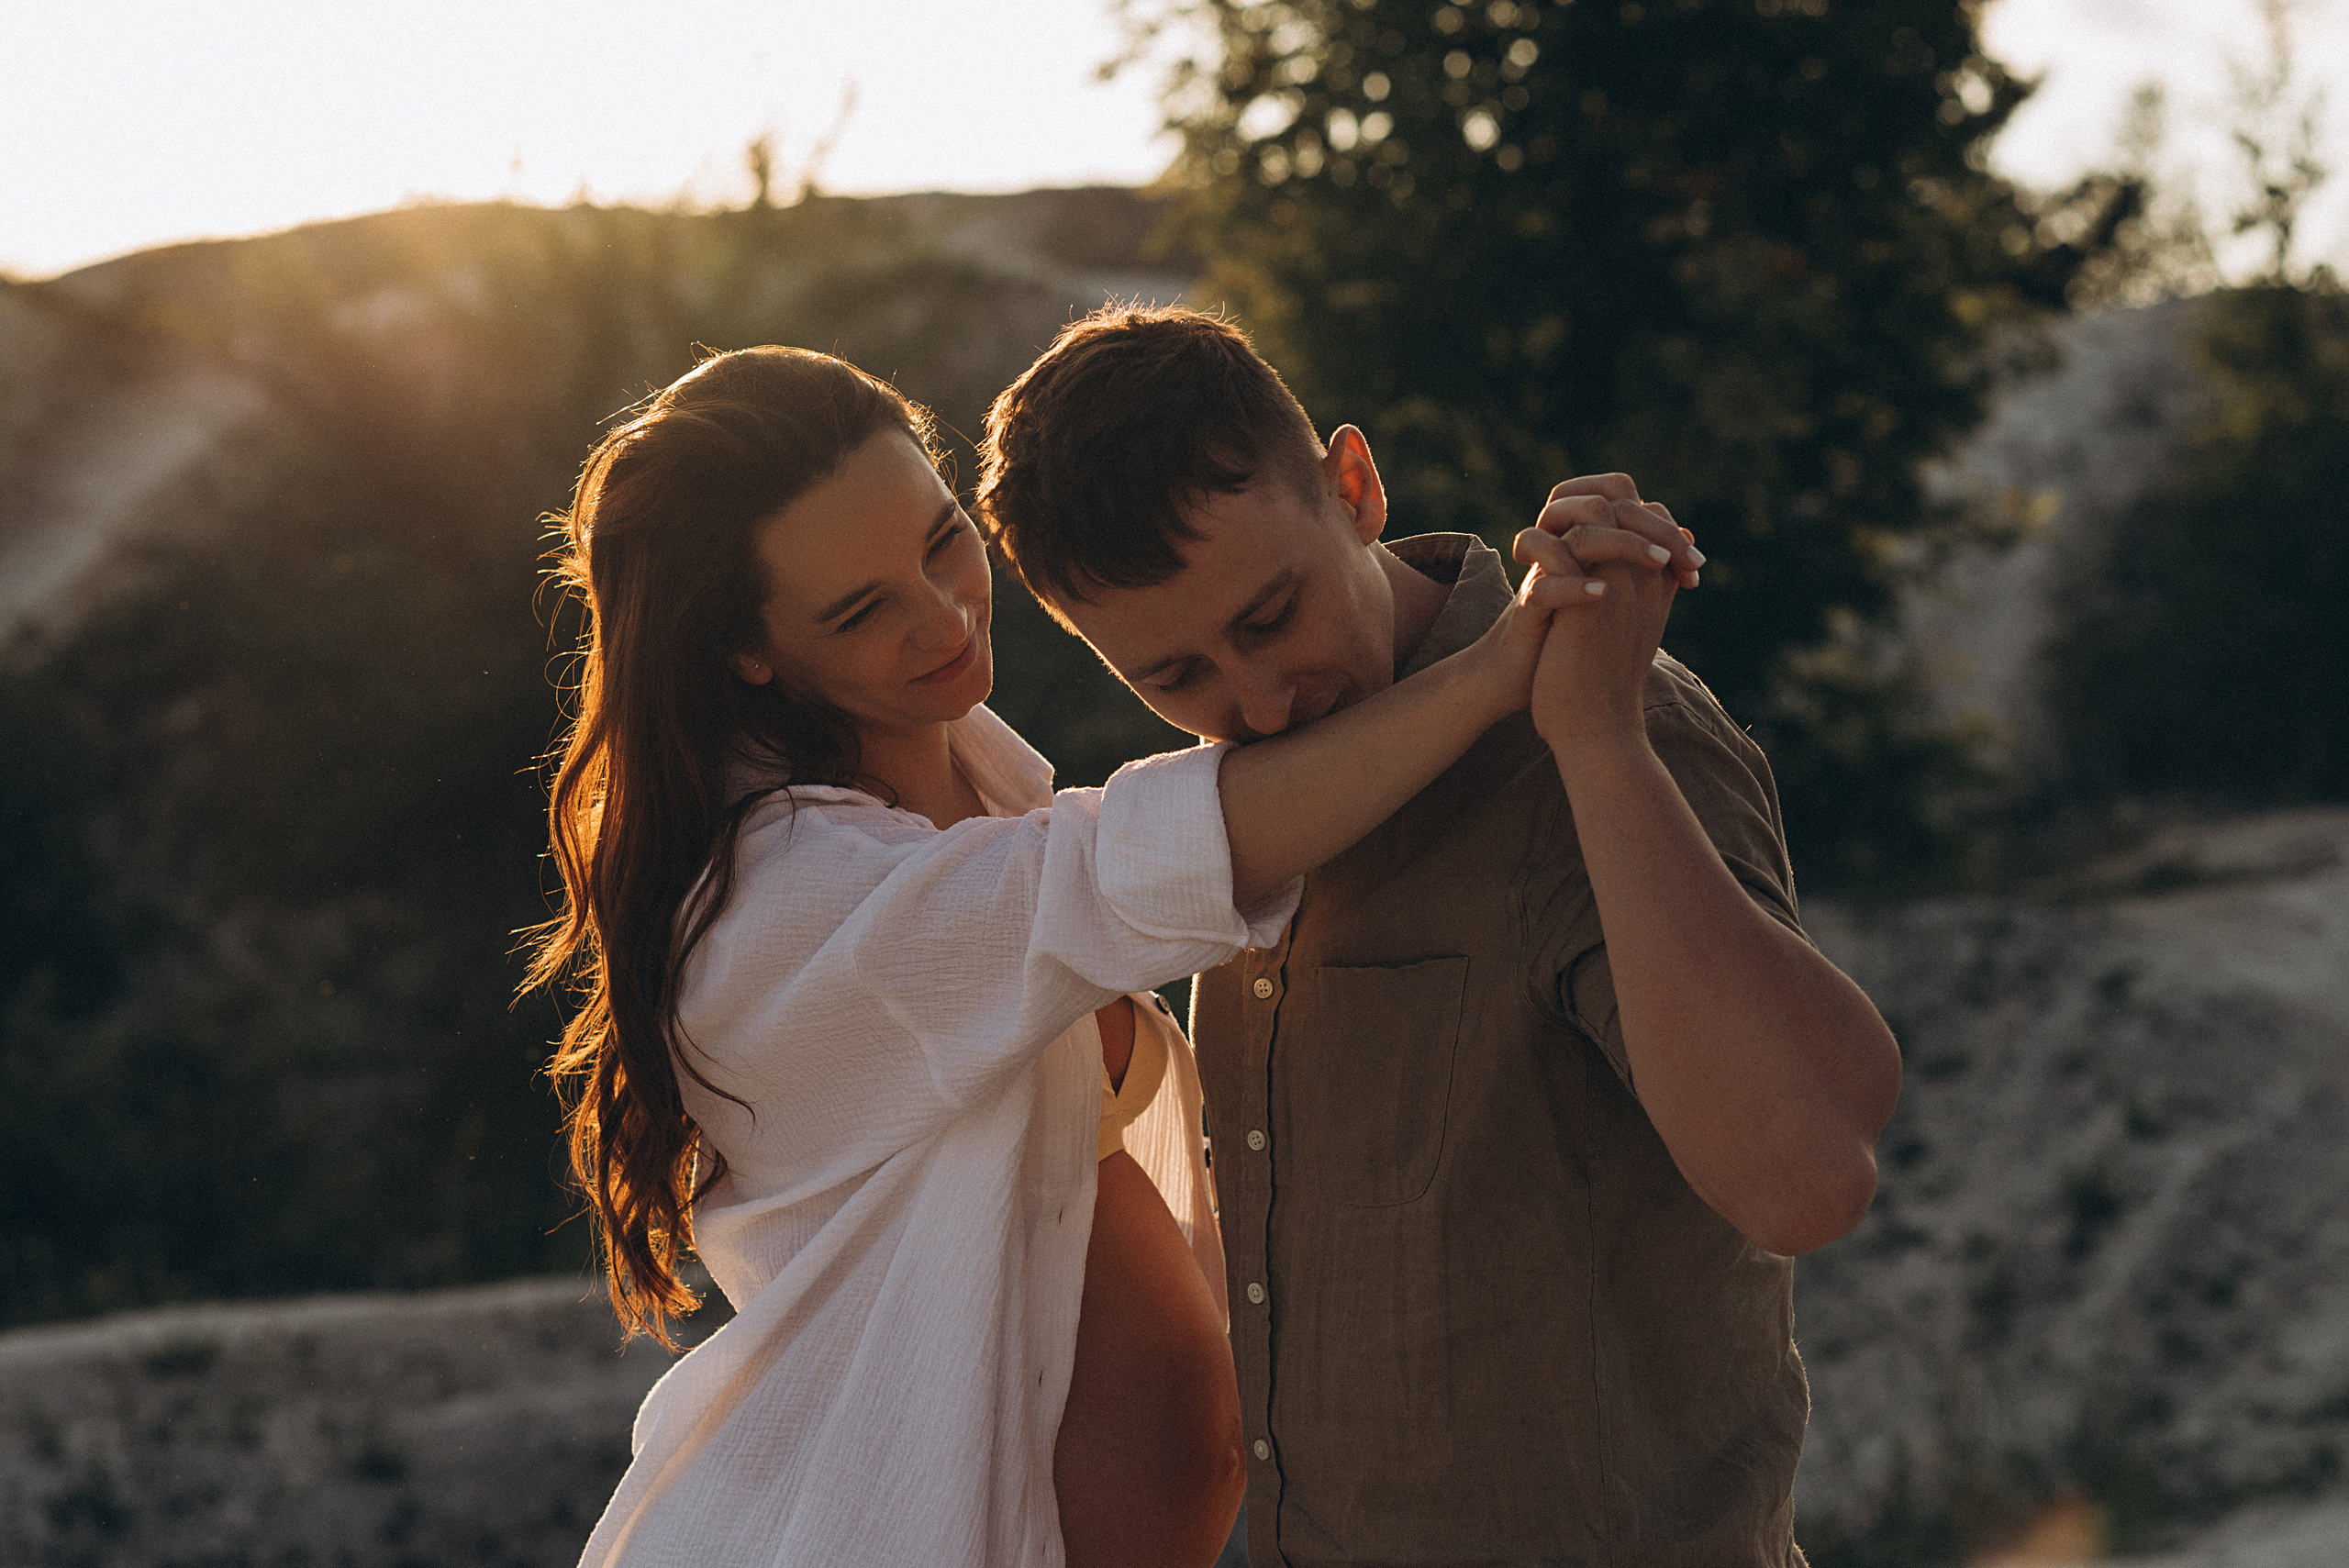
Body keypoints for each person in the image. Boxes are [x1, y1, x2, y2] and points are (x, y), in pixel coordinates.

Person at [523, 345, 1671, 1567]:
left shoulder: (975, 789)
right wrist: (1499, 670)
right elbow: (1148, 860)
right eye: (860, 610)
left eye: (941, 540)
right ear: (745, 653)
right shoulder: (793, 901)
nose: (942, 615)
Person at [978, 306, 1905, 1568]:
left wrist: (1601, 741)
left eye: (1270, 616)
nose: (1256, 703)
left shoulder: (1603, 727)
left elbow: (1808, 1171)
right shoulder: (1229, 827)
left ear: (1353, 486)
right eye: (1171, 676)